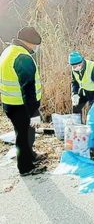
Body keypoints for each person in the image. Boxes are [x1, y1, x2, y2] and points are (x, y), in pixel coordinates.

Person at [0, 27, 46, 176]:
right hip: (20, 105)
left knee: (26, 133)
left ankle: (30, 155)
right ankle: (26, 167)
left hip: (10, 103)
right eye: (36, 45)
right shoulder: (22, 57)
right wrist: (33, 112)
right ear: (30, 43)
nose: (36, 48)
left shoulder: (9, 51)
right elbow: (28, 89)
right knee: (24, 135)